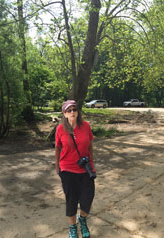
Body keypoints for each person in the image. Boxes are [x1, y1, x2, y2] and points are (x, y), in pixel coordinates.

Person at [54, 100, 96, 238]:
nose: (72, 112)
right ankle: (72, 227)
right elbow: (58, 147)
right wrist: (57, 165)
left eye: (74, 109)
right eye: (69, 110)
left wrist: (92, 164)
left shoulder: (86, 126)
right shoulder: (60, 129)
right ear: (64, 114)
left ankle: (82, 220)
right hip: (67, 169)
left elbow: (90, 146)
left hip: (85, 168)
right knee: (71, 200)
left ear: (78, 111)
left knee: (87, 198)